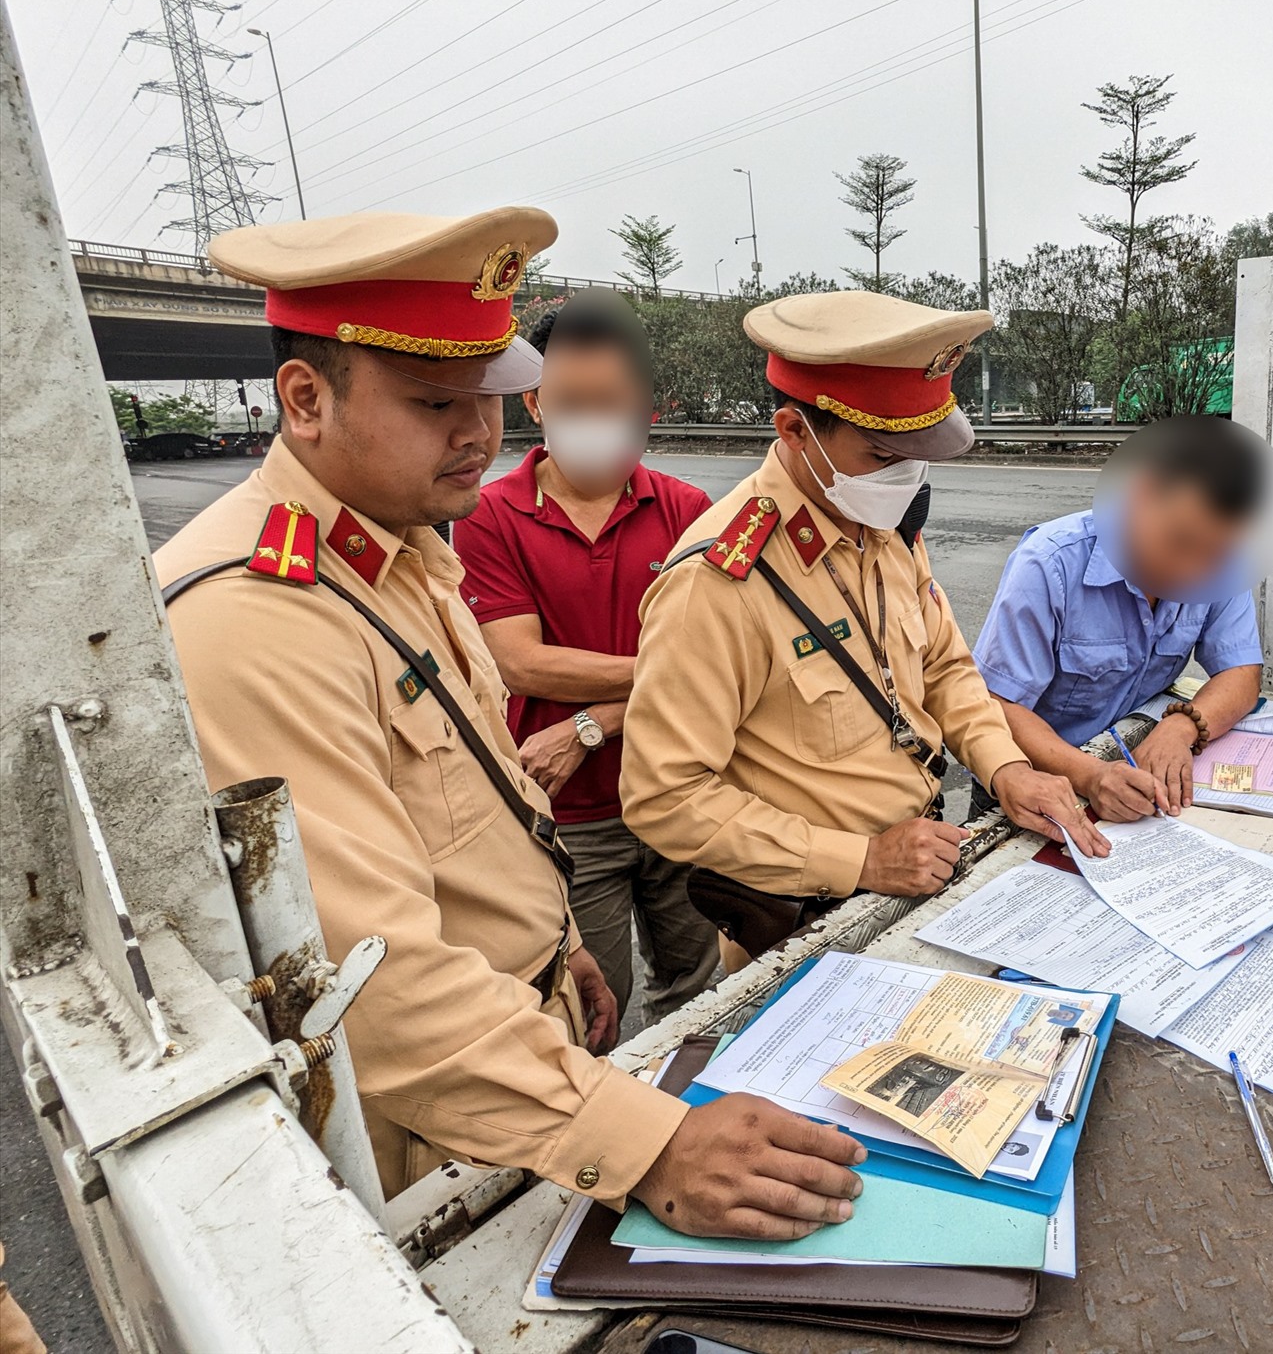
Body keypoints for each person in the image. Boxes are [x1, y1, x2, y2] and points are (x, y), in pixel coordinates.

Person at [154, 208, 863, 1239]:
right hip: (437, 1107)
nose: (481, 434)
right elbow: (371, 980)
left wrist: (558, 942)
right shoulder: (256, 613)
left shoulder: (402, 546)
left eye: (487, 397)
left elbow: (483, 795)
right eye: (438, 402)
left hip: (520, 1038)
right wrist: (650, 1143)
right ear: (305, 399)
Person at [620, 290, 1107, 966]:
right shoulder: (719, 581)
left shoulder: (888, 527)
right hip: (804, 925)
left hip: (921, 875)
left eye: (919, 452)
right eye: (884, 456)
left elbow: (945, 669)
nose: (907, 476)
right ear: (795, 431)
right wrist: (860, 859)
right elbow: (665, 796)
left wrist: (1007, 768)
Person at [453, 290, 719, 1034]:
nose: (595, 419)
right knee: (589, 1002)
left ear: (646, 408)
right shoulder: (489, 516)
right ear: (534, 400)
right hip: (569, 817)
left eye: (614, 401)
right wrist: (665, 673)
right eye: (575, 400)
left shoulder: (686, 508)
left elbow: (721, 668)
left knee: (696, 988)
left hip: (677, 784)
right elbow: (521, 663)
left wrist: (598, 723)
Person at [971, 415, 1272, 820]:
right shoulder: (1050, 564)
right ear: (1140, 495)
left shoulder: (1220, 559)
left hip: (1129, 764)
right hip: (1035, 782)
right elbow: (998, 704)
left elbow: (1241, 672)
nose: (1193, 571)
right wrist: (1090, 775)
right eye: (1180, 541)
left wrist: (1182, 728)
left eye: (1213, 553)